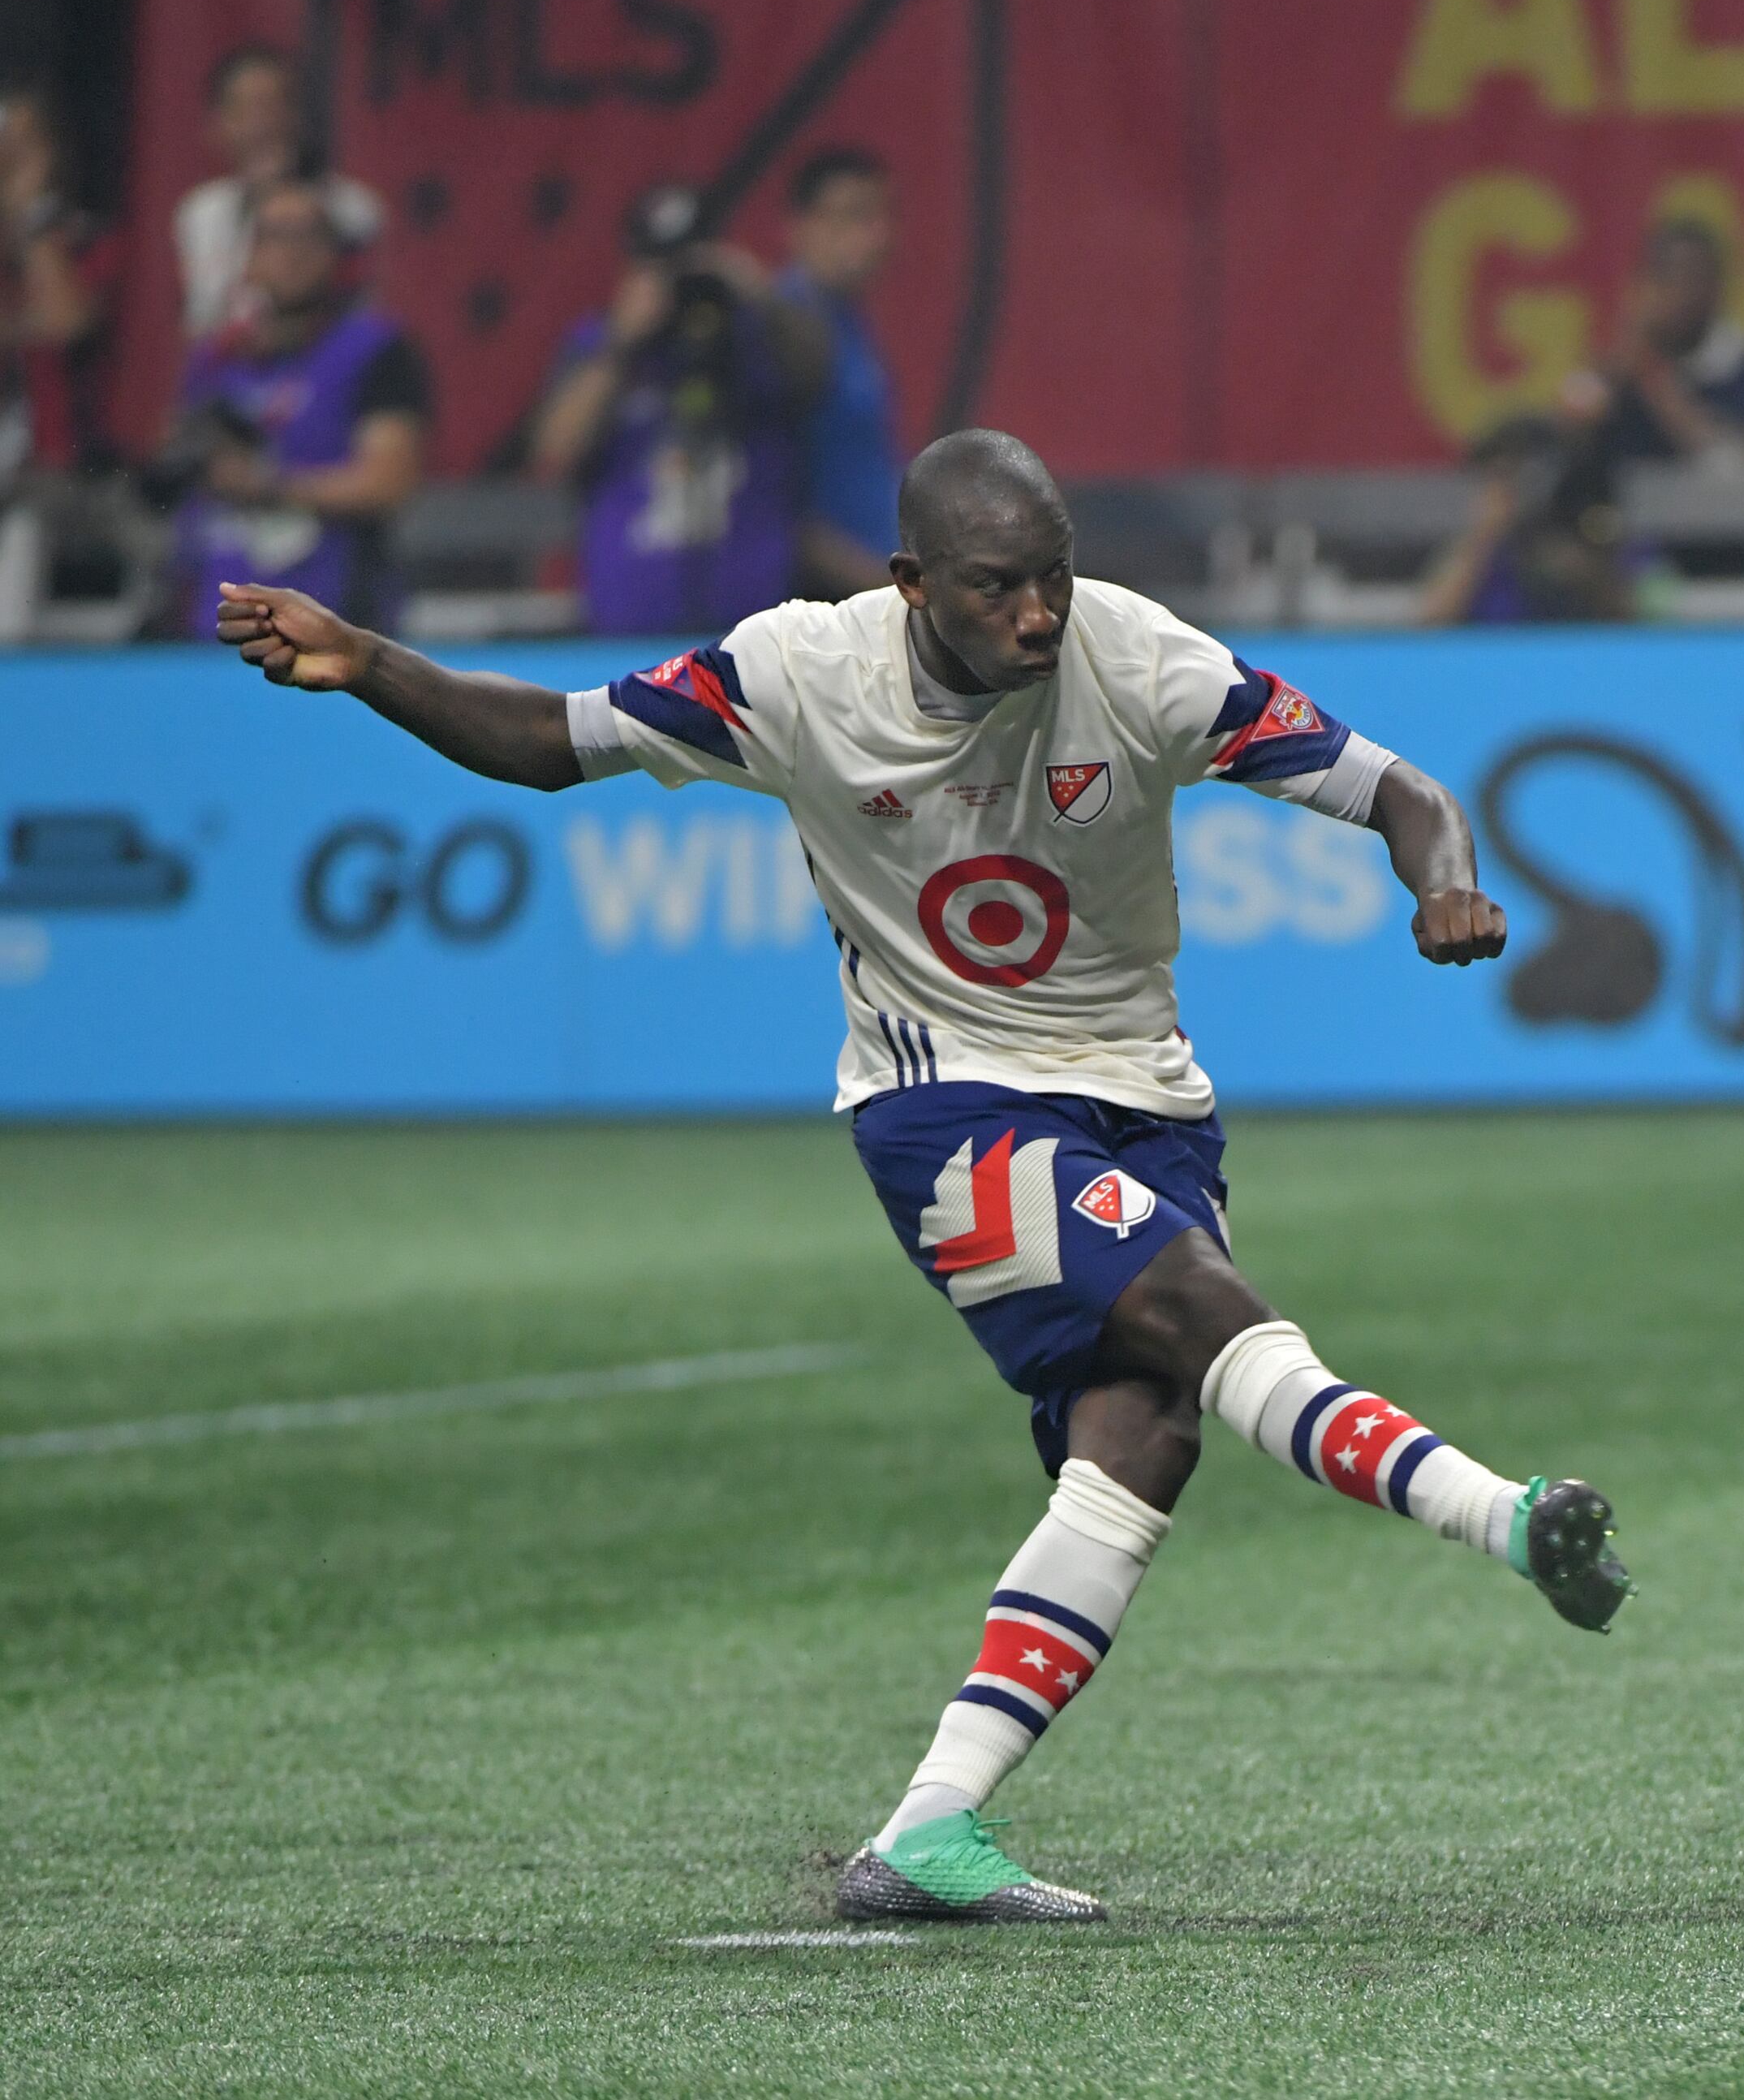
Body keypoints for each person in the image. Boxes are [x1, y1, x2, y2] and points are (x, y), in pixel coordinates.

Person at [215, 428, 1634, 1925]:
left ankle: (928, 1831)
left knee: (1144, 1437)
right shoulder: (795, 674)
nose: (1038, 612)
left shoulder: (1142, 658)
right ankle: (1509, 1516)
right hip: (941, 1104)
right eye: (997, 585)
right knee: (1206, 1312)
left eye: (1054, 577)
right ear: (911, 586)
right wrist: (368, 658)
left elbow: (1400, 789)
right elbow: (551, 740)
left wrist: (1448, 880)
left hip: (1146, 1105)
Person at [530, 183, 829, 636]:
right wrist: (621, 343)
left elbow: (820, 380)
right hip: (630, 626)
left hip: (755, 632)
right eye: (661, 269)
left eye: (691, 264)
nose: (678, 285)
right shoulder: (603, 346)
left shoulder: (760, 339)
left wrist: (760, 298)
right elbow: (555, 453)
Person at [163, 176, 428, 638]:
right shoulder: (216, 357)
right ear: (248, 256)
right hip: (211, 628)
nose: (291, 253)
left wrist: (265, 485)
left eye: (308, 236)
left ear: (335, 255)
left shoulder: (375, 350)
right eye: (273, 237)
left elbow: (388, 482)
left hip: (333, 626)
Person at [1, 85, 126, 643]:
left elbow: (60, 322)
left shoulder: (85, 242)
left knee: (25, 525)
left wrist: (31, 211)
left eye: (23, 144)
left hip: (66, 478)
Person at [172, 46, 382, 340]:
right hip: (235, 375)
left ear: (298, 116)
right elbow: (203, 324)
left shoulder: (353, 207)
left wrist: (286, 191)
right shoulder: (202, 212)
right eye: (246, 110)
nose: (263, 124)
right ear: (216, 125)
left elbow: (355, 313)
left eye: (273, 106)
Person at [1569, 218, 1744, 467]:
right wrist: (1606, 377)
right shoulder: (1619, 369)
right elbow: (1569, 445)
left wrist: (1656, 381)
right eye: (1664, 276)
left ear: (1717, 286)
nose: (1679, 292)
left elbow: (1738, 468)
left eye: (1692, 277)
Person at [777, 147, 906, 598]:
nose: (875, 235)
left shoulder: (848, 321)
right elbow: (772, 502)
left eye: (878, 216)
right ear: (801, 227)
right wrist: (878, 588)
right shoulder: (784, 334)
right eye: (853, 216)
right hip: (827, 605)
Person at [1413, 413, 1634, 625]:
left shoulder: (1570, 542)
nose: (1509, 491)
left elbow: (1621, 616)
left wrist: (1570, 560)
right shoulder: (1470, 548)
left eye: (1518, 476)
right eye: (1498, 477)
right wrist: (1485, 536)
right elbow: (1433, 619)